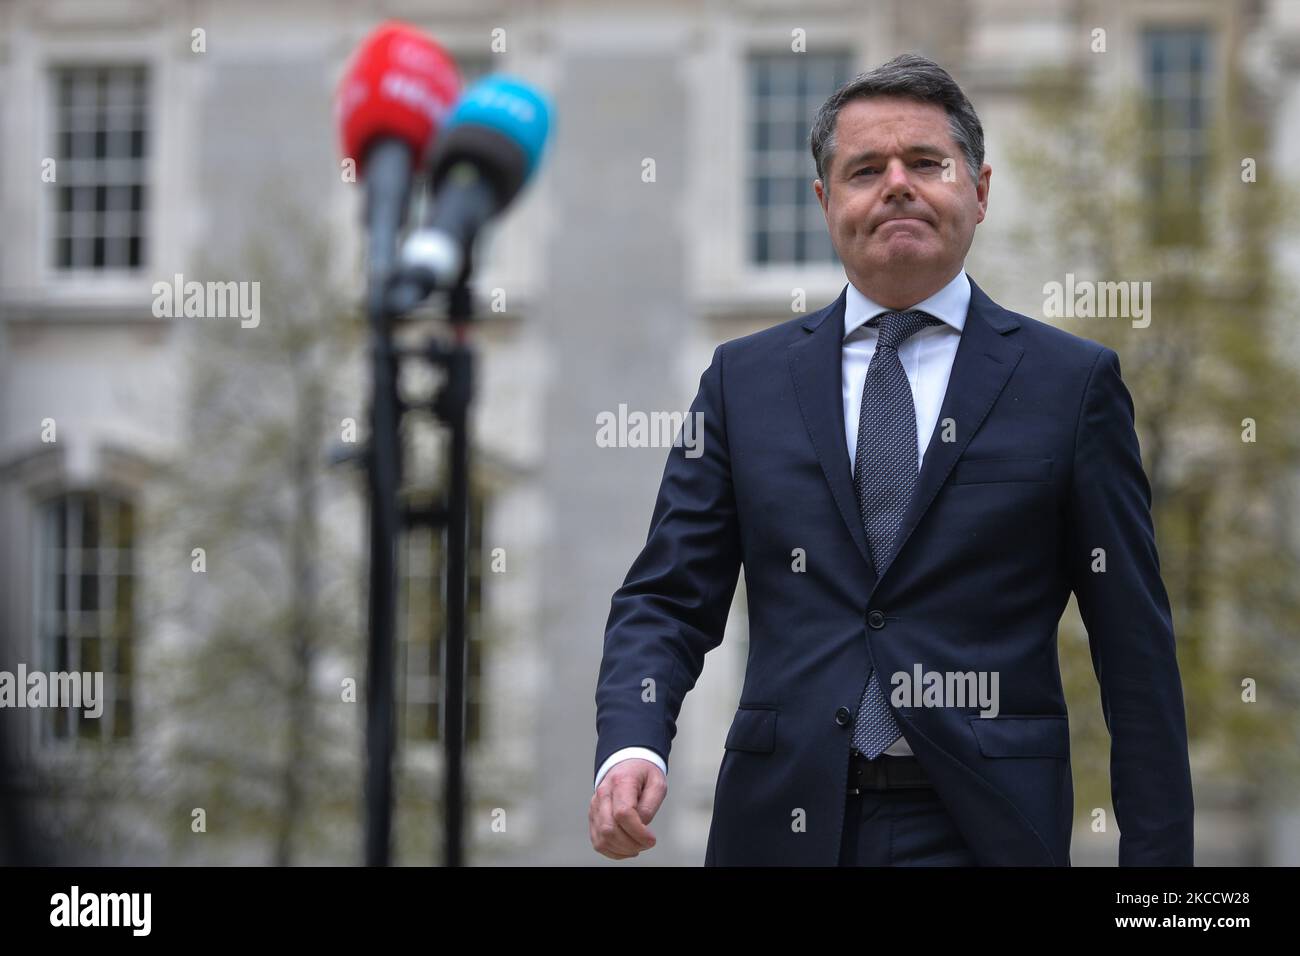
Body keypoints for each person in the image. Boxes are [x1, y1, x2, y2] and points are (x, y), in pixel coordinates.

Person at [589, 53, 1193, 866]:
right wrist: (633, 744)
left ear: (979, 191)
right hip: (782, 826)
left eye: (926, 163)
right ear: (825, 201)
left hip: (985, 832)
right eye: (866, 168)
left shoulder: (1071, 385)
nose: (897, 184)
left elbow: (1136, 654)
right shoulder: (743, 381)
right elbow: (667, 595)